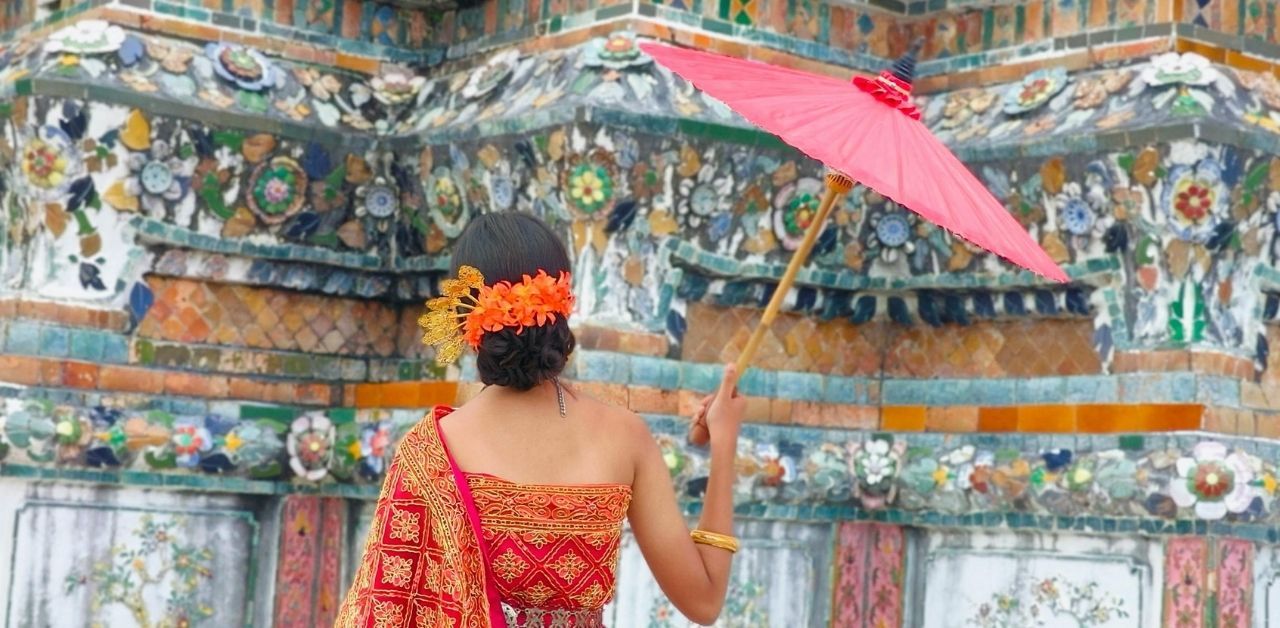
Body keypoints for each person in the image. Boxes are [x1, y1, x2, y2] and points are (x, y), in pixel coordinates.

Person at [336, 212, 747, 628]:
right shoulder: (624, 435)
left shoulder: (430, 451)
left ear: (464, 318)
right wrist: (724, 440)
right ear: (564, 303)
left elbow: (385, 609)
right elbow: (704, 601)